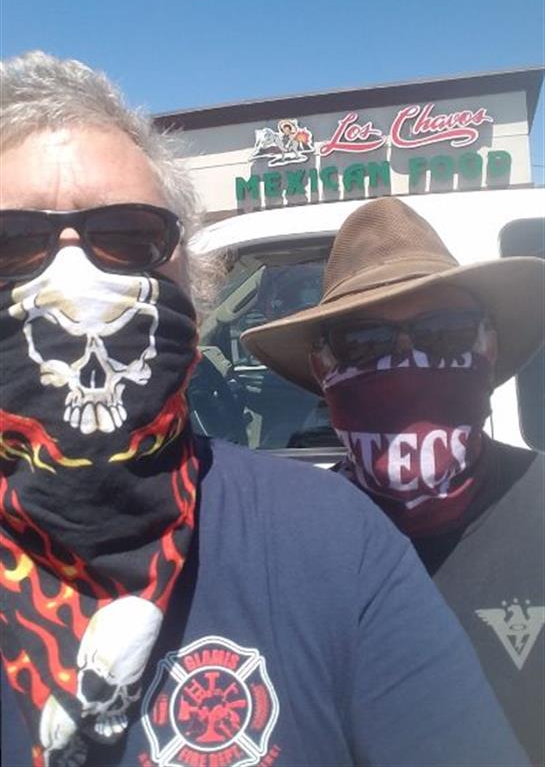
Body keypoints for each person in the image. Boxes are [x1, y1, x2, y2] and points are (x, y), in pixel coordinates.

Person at [0, 53, 529, 767]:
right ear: (322, 371)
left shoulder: (332, 538)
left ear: (191, 286)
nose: (75, 280)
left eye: (128, 238)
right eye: (11, 243)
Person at [242, 196, 545, 766]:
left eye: (446, 332)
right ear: (323, 369)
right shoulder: (292, 548)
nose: (405, 363)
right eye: (363, 343)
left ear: (488, 347)